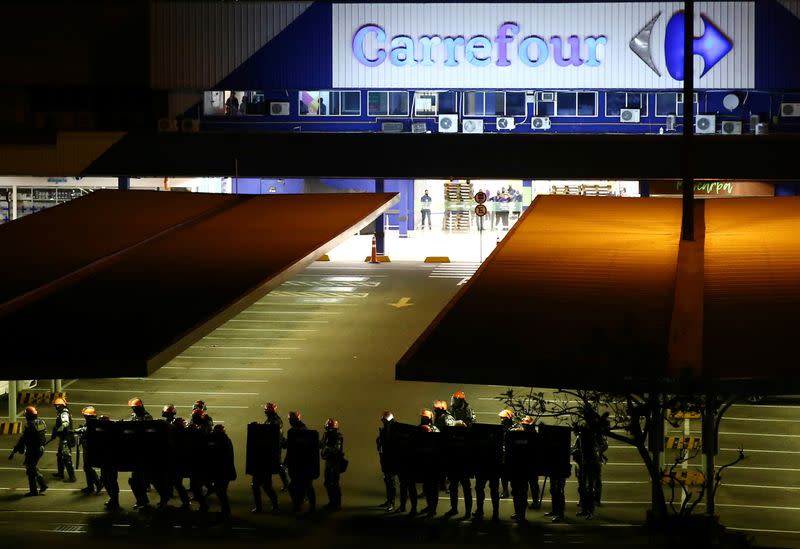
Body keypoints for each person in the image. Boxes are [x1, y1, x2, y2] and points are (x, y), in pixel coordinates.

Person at [252, 402, 285, 513]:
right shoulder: (274, 420)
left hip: (267, 457)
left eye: (266, 410)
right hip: (262, 457)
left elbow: (270, 435)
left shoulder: (275, 422)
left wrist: (259, 428)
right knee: (256, 485)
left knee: (266, 485)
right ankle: (261, 507)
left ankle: (275, 506)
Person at [9, 406, 48, 496]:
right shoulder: (41, 422)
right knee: (32, 467)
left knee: (30, 470)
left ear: (29, 416)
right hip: (40, 449)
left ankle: (35, 490)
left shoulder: (30, 426)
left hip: (32, 450)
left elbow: (23, 439)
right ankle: (42, 485)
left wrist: (16, 449)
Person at [285, 411, 316, 513]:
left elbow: (292, 449)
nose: (289, 421)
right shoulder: (301, 431)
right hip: (303, 463)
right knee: (304, 486)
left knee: (303, 486)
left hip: (301, 464)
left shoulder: (296, 432)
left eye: (290, 420)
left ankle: (301, 504)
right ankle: (303, 504)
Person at [127, 398, 152, 510]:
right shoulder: (134, 416)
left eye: (134, 408)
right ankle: (142, 500)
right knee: (135, 480)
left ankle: (143, 501)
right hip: (135, 452)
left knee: (138, 480)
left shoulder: (147, 418)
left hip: (144, 452)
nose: (133, 410)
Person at [210, 424, 236, 519]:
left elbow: (217, 455)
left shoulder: (221, 442)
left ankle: (226, 510)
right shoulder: (225, 440)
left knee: (221, 491)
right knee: (221, 491)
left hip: (222, 472)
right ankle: (225, 510)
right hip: (225, 472)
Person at [76, 406, 102, 495]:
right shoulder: (89, 423)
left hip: (91, 448)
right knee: (87, 467)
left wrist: (79, 431)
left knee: (88, 467)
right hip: (87, 447)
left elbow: (87, 431)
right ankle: (91, 486)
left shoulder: (93, 424)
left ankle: (97, 483)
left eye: (85, 416)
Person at [418, 410, 440, 518]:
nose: (423, 419)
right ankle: (429, 506)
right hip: (424, 463)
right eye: (422, 417)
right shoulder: (419, 429)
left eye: (425, 417)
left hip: (433, 463)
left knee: (433, 488)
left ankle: (433, 509)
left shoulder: (435, 430)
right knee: (427, 487)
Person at [320, 418, 345, 511]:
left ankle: (337, 503)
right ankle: (332, 502)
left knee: (334, 483)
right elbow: (321, 444)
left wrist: (326, 448)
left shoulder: (338, 436)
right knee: (327, 483)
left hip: (335, 462)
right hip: (328, 461)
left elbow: (336, 449)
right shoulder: (326, 435)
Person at [97, 415, 120, 510]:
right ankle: (113, 499)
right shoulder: (101, 433)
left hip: (111, 462)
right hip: (105, 461)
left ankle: (115, 501)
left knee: (111, 481)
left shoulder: (112, 433)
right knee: (105, 480)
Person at [376, 411, 397, 511]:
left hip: (391, 459)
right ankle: (389, 500)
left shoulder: (394, 430)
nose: (383, 422)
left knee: (391, 481)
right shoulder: (385, 430)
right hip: (385, 458)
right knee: (387, 480)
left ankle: (391, 502)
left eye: (385, 420)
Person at [51, 396, 76, 483]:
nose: (56, 407)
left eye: (56, 406)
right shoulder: (62, 412)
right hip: (63, 438)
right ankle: (60, 473)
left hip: (66, 438)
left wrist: (58, 431)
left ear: (60, 406)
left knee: (66, 457)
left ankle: (72, 477)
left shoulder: (64, 414)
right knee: (60, 456)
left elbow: (65, 423)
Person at [520, 416, 541, 510]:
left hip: (532, 463)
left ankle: (535, 501)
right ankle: (524, 501)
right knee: (524, 484)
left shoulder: (534, 435)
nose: (523, 426)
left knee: (533, 484)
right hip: (525, 462)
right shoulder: (523, 433)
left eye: (525, 425)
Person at [498, 409, 514, 498]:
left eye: (503, 418)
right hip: (503, 454)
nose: (501, 420)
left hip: (511, 454)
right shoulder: (501, 428)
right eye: (501, 418)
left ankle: (514, 489)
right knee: (503, 474)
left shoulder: (513, 428)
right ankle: (505, 491)